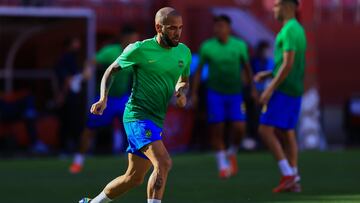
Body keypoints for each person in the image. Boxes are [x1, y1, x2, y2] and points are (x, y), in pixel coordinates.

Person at [79, 7, 191, 203]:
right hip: (137, 116)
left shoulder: (184, 52)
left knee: (133, 178)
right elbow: (111, 70)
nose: (178, 32)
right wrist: (103, 98)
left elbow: (183, 79)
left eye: (180, 28)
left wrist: (181, 91)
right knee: (163, 163)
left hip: (156, 119)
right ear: (158, 27)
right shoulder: (139, 49)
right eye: (172, 28)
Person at [191, 14, 255, 179]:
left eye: (221, 26)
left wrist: (253, 88)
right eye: (216, 26)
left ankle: (231, 152)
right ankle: (222, 165)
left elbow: (247, 68)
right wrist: (195, 93)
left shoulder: (239, 45)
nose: (217, 29)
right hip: (215, 94)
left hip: (236, 94)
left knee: (239, 128)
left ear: (229, 28)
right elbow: (198, 72)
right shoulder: (207, 47)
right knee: (217, 130)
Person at [69, 26, 140, 174]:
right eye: (131, 39)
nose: (134, 41)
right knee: (90, 129)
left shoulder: (136, 53)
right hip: (105, 98)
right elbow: (91, 61)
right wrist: (87, 71)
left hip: (123, 99)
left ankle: (138, 164)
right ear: (123, 39)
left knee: (136, 129)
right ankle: (78, 161)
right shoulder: (111, 52)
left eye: (135, 39)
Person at [254, 0, 306, 193]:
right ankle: (294, 177)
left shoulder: (289, 30)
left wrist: (269, 89)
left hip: (283, 89)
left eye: (276, 5)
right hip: (295, 89)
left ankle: (287, 174)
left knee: (265, 130)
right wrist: (267, 74)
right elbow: (287, 64)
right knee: (287, 132)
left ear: (287, 6)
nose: (274, 8)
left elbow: (288, 65)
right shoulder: (298, 29)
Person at [55, 37, 91, 154]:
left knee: (76, 123)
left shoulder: (73, 58)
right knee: (68, 123)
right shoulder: (66, 59)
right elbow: (67, 80)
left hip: (74, 97)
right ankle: (64, 149)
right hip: (69, 98)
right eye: (75, 43)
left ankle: (75, 149)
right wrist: (62, 96)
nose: (78, 46)